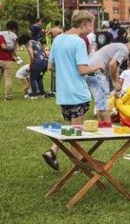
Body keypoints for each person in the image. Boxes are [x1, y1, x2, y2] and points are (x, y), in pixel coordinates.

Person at [42, 10, 103, 170]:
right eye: (90, 25)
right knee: (76, 133)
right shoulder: (78, 42)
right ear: (83, 24)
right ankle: (78, 167)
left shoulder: (58, 39)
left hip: (63, 93)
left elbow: (51, 67)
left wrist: (65, 67)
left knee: (72, 129)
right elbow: (83, 70)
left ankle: (53, 151)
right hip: (78, 92)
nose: (91, 29)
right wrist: (98, 66)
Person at [85, 40, 130, 123]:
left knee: (101, 103)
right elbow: (112, 64)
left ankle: (101, 127)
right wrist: (114, 82)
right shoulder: (124, 49)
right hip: (98, 72)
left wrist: (116, 80)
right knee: (105, 104)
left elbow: (116, 68)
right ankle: (107, 129)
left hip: (90, 71)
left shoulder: (119, 45)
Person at [25, 29, 49, 98]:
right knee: (39, 78)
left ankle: (34, 94)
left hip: (37, 63)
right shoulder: (37, 42)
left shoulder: (28, 43)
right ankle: (42, 93)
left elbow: (32, 57)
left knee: (32, 78)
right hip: (45, 62)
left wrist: (31, 65)